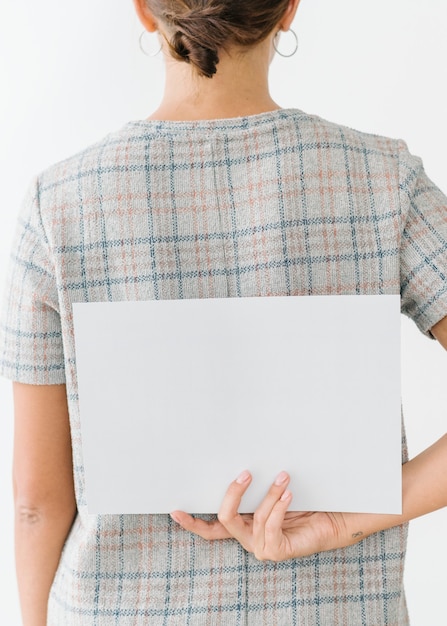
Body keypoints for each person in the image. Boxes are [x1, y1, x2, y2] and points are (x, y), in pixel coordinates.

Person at [1, 0, 446, 624]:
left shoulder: (58, 205)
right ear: (288, 10)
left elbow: (36, 505)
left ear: (144, 11)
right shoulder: (383, 180)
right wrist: (347, 521)